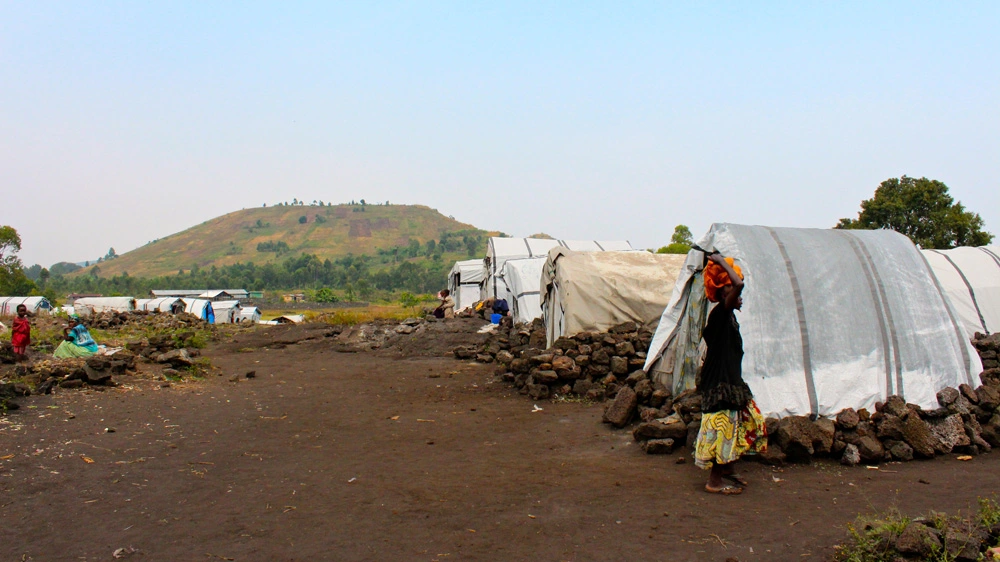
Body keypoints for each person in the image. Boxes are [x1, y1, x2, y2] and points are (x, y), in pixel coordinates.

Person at [694, 253, 766, 495]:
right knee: (722, 429)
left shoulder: (729, 318)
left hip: (729, 380)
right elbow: (739, 284)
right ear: (723, 293)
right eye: (733, 291)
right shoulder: (720, 314)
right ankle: (714, 481)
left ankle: (729, 471)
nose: (740, 296)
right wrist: (720, 261)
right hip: (719, 383)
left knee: (739, 424)